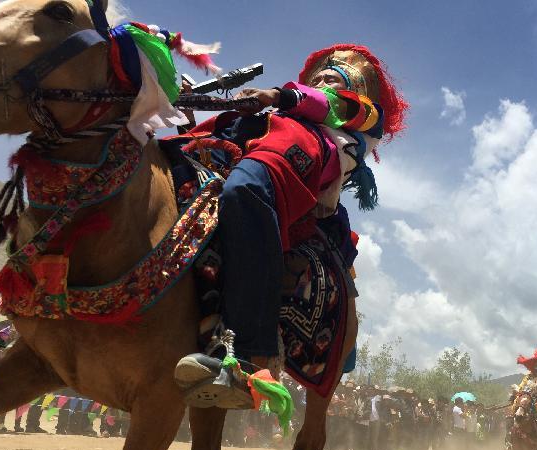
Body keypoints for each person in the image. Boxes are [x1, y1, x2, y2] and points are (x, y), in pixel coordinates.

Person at [173, 44, 408, 406]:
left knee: (246, 189)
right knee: (174, 158)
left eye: (334, 77)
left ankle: (249, 356)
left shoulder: (360, 110)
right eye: (320, 76)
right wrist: (186, 116)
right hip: (262, 133)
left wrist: (277, 96)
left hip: (306, 149)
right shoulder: (279, 109)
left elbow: (322, 103)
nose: (324, 79)